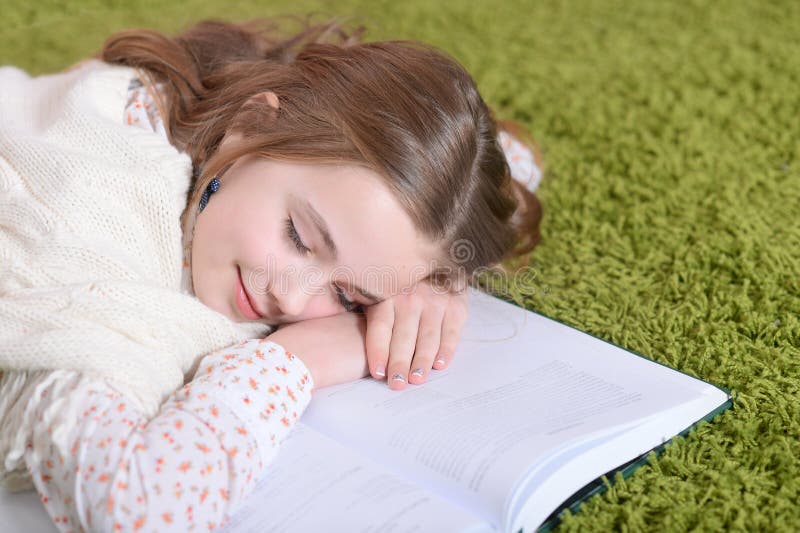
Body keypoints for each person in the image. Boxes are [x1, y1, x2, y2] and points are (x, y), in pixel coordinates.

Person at [0, 15, 544, 531]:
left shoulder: (257, 140)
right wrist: (298, 356)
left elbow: (513, 164)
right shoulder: (83, 224)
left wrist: (433, 280)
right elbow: (138, 509)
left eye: (350, 297)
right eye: (298, 237)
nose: (291, 298)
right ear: (250, 124)